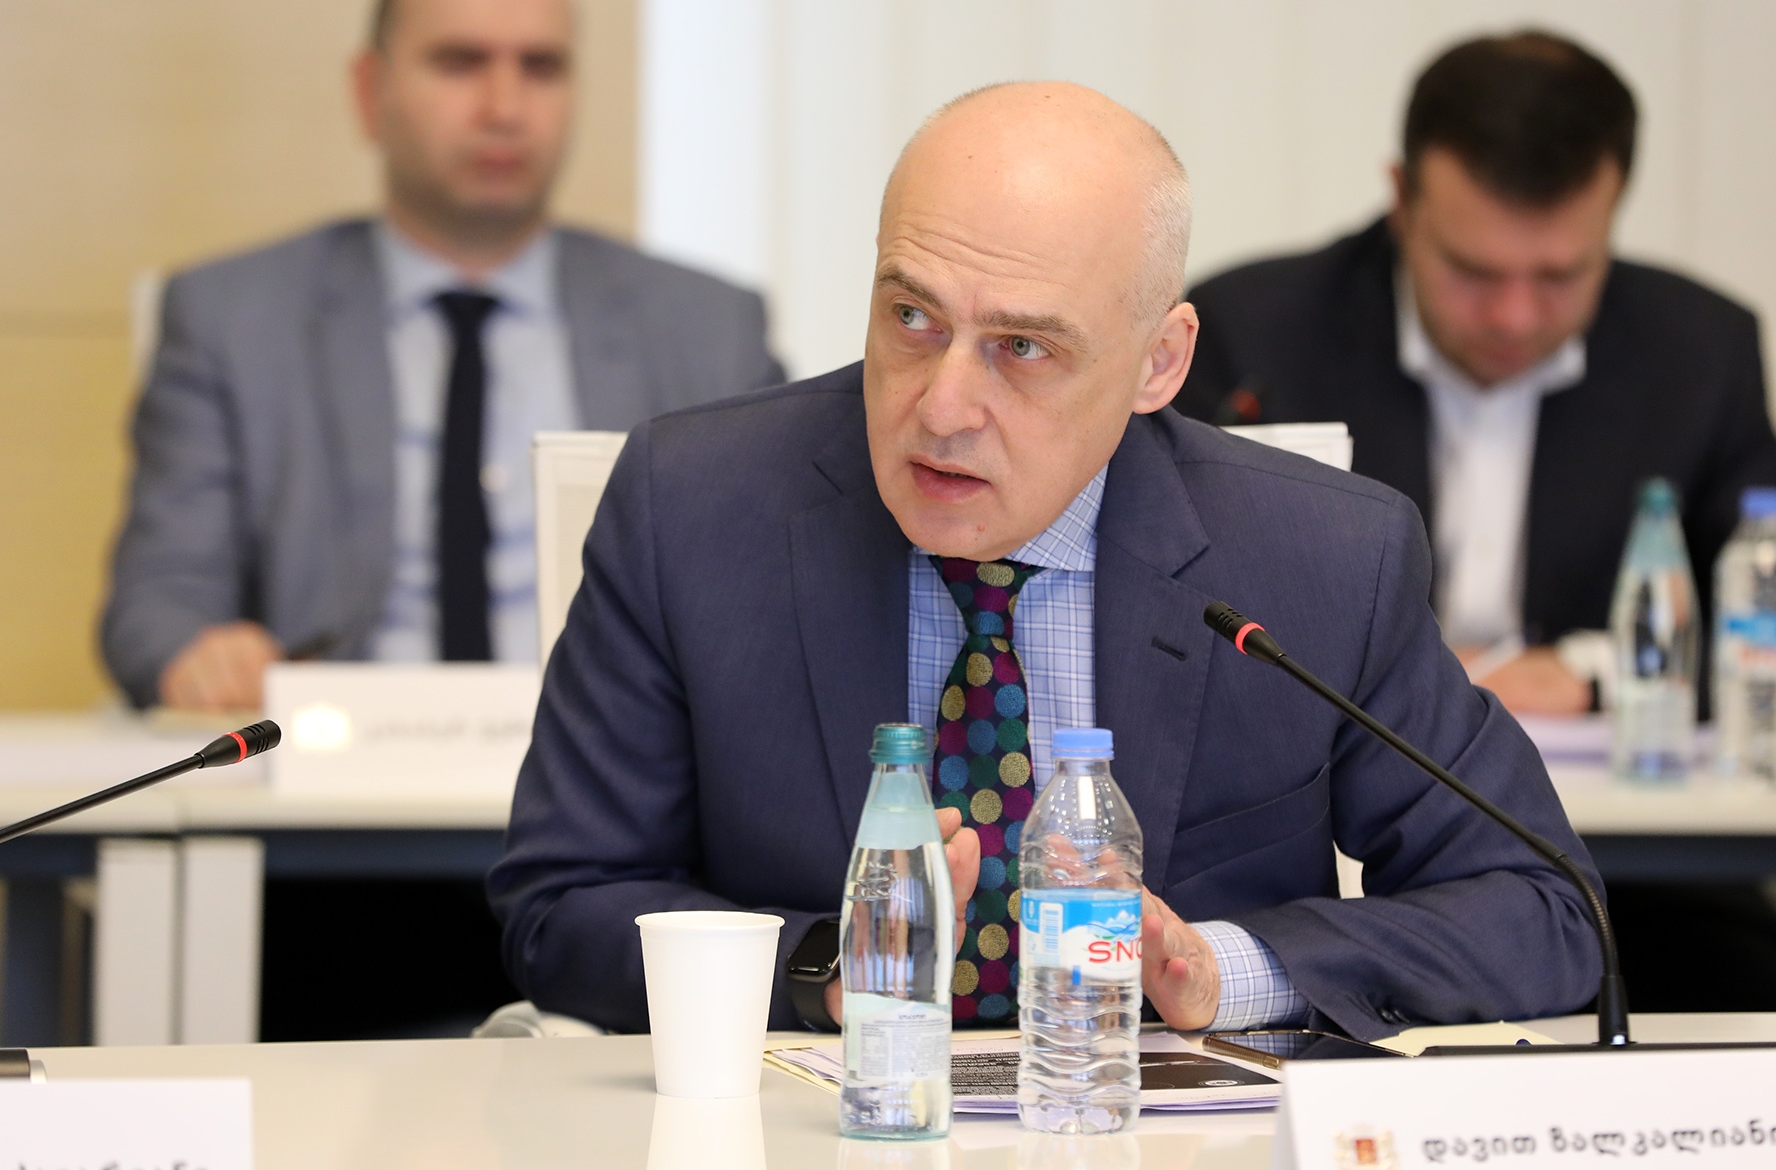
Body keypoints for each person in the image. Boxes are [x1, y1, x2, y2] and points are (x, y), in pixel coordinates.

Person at [489, 82, 1606, 1038]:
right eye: (912, 318)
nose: (943, 406)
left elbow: (1544, 910)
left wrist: (1218, 968)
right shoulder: (692, 507)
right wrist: (830, 967)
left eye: (1021, 346)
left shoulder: (1321, 558)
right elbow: (563, 902)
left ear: (1158, 362)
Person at [99, 0, 782, 1039]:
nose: (505, 105)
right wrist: (196, 649)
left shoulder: (705, 326)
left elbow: (779, 599)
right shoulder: (232, 316)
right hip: (332, 855)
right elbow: (154, 598)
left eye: (540, 67)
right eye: (461, 62)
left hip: (626, 840)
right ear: (371, 93)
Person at [1176, 30, 1776, 1011]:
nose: (1512, 314)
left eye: (1558, 276)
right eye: (1472, 270)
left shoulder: (1693, 351)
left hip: (1627, 870)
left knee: (1751, 990)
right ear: (1402, 199)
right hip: (1324, 855)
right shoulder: (1254, 333)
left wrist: (1591, 673)